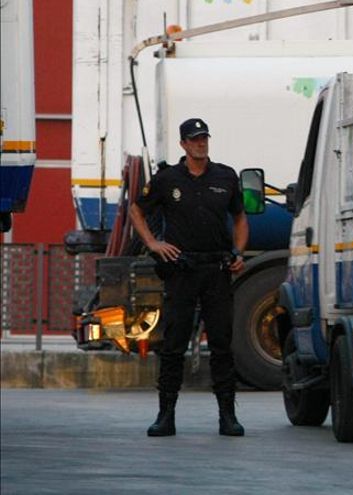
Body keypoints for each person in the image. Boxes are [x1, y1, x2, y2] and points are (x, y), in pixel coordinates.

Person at [130, 118, 249, 437]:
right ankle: (165, 415)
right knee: (173, 345)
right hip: (182, 270)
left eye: (204, 138)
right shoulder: (168, 178)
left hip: (217, 270)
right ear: (183, 144)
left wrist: (238, 252)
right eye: (195, 139)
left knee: (222, 344)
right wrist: (153, 244)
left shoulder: (225, 176)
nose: (201, 143)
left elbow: (239, 218)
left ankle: (228, 416)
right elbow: (136, 210)